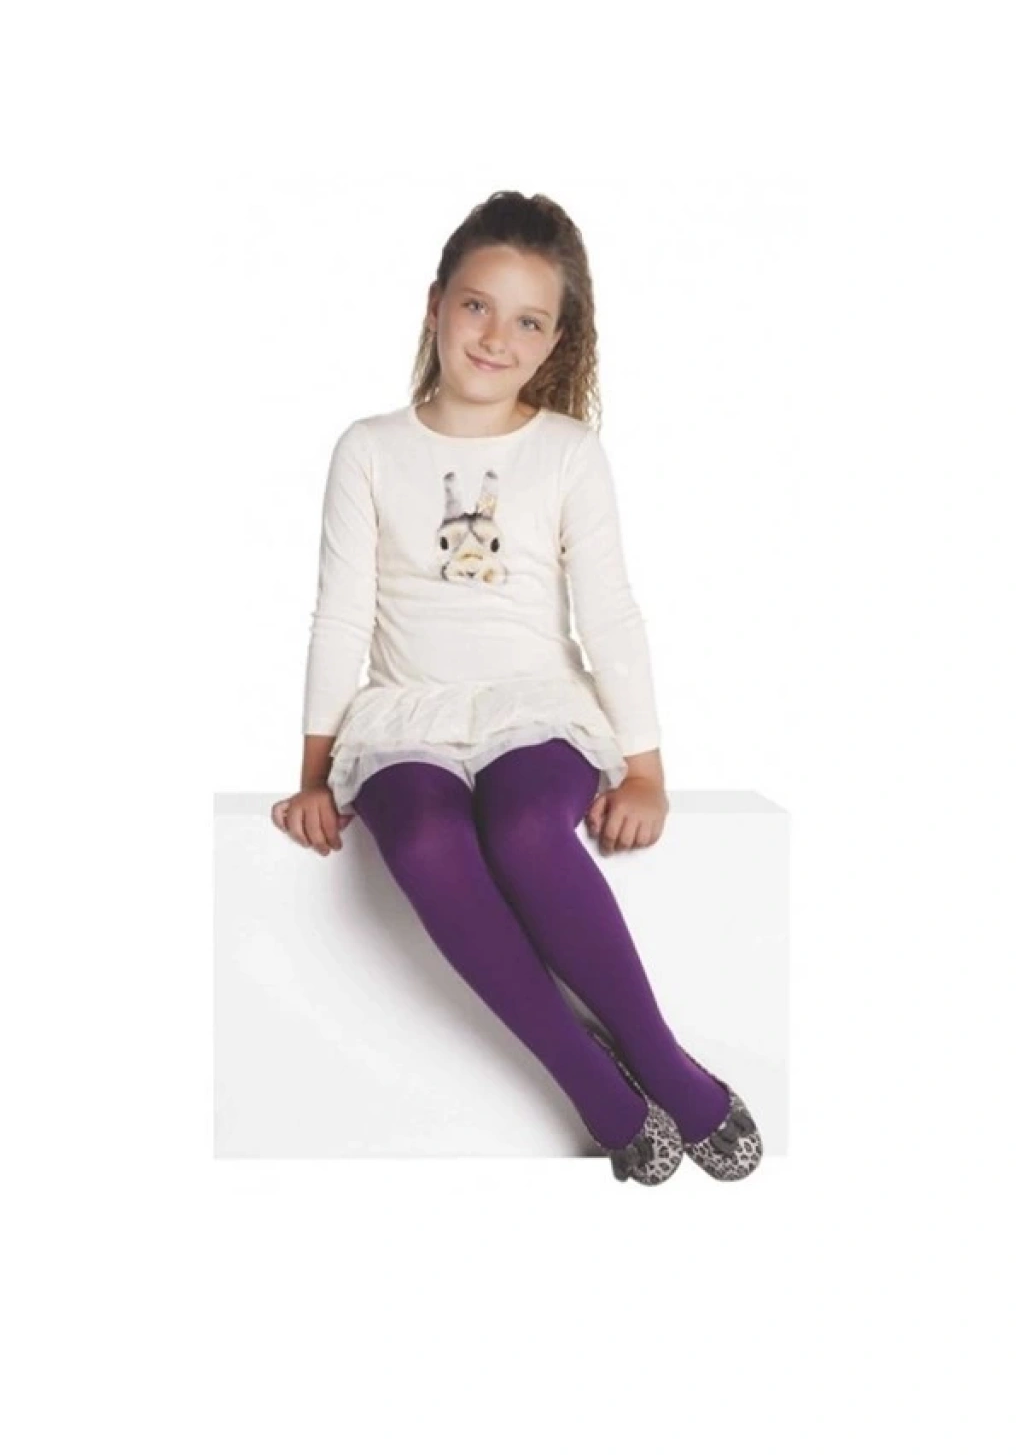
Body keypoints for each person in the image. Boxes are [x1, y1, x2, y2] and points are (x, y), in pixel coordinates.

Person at [271, 190, 762, 1186]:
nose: (497, 338)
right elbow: (340, 617)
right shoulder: (369, 449)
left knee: (527, 830)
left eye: (529, 321)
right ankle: (594, 1083)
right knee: (423, 838)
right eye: (477, 306)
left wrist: (646, 771)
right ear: (435, 305)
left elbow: (610, 614)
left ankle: (665, 1063)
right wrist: (315, 776)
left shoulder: (568, 453)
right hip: (407, 709)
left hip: (533, 706)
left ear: (555, 341)